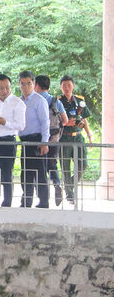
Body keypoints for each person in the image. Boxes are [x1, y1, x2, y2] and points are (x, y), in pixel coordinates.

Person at [0, 74, 25, 207]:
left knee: (6, 175)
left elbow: (21, 125)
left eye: (7, 87)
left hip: (7, 141)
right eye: (1, 88)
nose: (4, 90)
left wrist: (5, 122)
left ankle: (7, 203)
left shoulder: (17, 102)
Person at [18, 71, 50, 208]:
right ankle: (26, 201)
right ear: (19, 84)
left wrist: (44, 142)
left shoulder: (39, 100)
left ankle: (43, 202)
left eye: (29, 83)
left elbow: (45, 122)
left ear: (34, 83)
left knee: (40, 173)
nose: (26, 87)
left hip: (37, 140)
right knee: (26, 173)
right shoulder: (18, 101)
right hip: (24, 141)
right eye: (22, 84)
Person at [58, 75, 92, 205]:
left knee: (83, 164)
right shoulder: (58, 102)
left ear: (73, 86)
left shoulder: (79, 101)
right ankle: (70, 195)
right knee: (65, 167)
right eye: (64, 85)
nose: (66, 88)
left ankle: (69, 185)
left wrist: (89, 136)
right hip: (64, 137)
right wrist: (66, 123)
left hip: (78, 137)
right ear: (60, 87)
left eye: (69, 85)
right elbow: (54, 121)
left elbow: (84, 120)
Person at [34, 75, 68, 206]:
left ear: (36, 85)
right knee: (52, 164)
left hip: (38, 138)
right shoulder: (56, 101)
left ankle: (43, 198)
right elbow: (65, 120)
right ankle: (56, 184)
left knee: (39, 168)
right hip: (53, 138)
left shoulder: (35, 99)